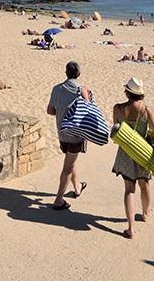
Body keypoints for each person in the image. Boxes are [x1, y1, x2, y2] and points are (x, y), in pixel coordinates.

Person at [112, 77, 154, 239]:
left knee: (129, 189)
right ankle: (145, 213)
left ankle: (131, 228)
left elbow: (116, 129)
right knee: (144, 184)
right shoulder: (147, 111)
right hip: (143, 152)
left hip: (125, 152)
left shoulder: (118, 109)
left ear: (127, 92)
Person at [46, 61, 90, 211]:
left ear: (66, 72)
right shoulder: (82, 89)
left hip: (61, 133)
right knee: (68, 166)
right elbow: (88, 110)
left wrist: (62, 111)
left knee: (71, 161)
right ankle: (58, 200)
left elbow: (50, 111)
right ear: (78, 74)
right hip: (76, 134)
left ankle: (77, 188)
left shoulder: (56, 89)